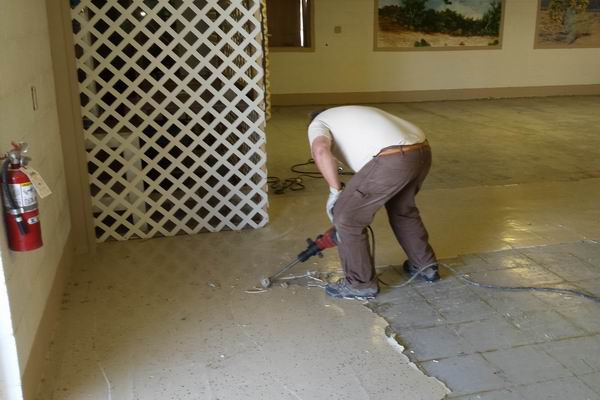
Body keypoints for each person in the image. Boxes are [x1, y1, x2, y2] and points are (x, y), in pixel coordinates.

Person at [308, 105, 439, 300]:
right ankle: (425, 266)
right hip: (421, 151)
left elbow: (320, 150)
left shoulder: (318, 123)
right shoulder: (348, 115)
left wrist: (335, 191)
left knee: (346, 218)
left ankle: (360, 284)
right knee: (402, 209)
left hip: (392, 157)